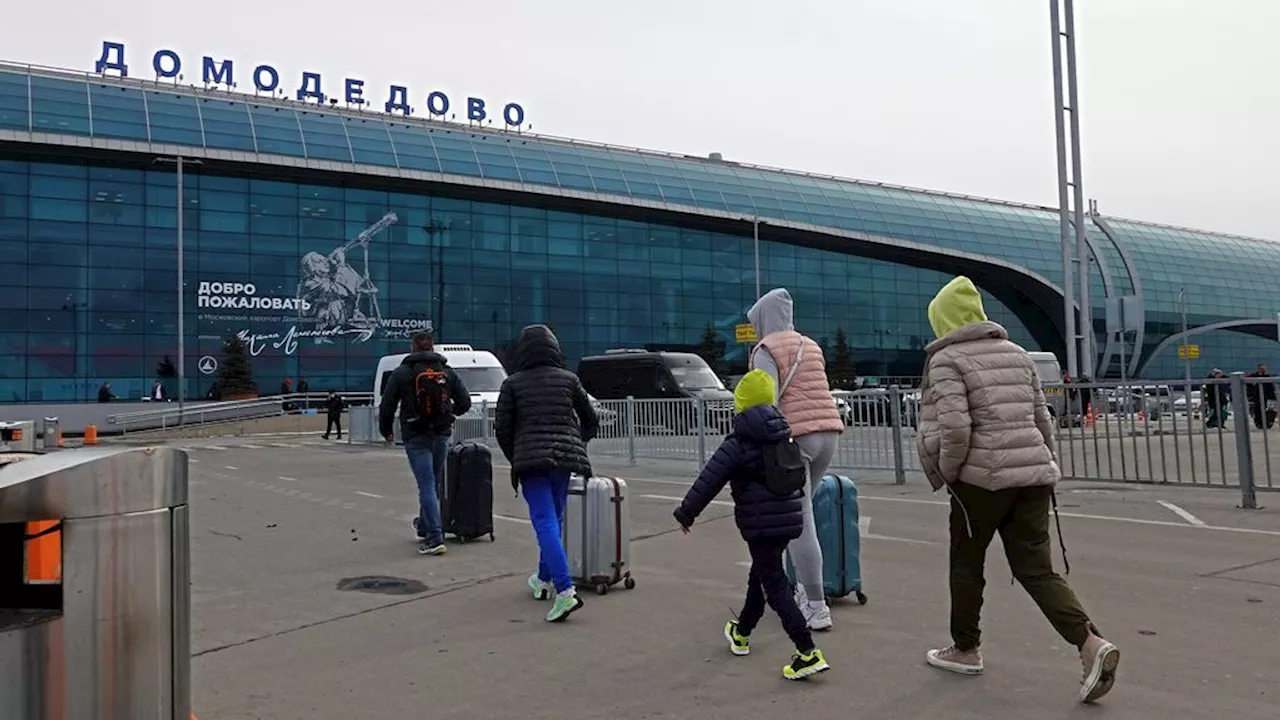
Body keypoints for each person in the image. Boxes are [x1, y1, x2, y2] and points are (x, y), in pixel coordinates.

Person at [916, 276, 1119, 704]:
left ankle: (966, 649)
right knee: (1037, 569)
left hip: (979, 482)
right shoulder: (1018, 354)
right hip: (1033, 477)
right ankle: (1089, 643)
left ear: (944, 321)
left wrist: (950, 474)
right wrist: (1045, 462)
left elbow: (955, 428)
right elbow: (1041, 418)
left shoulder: (947, 360)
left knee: (967, 564)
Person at [673, 369, 831, 681]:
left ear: (740, 405)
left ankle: (807, 651)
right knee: (760, 575)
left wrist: (686, 513)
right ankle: (742, 632)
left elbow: (710, 479)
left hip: (760, 525)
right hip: (787, 521)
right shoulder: (784, 435)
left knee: (774, 585)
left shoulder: (738, 443)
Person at [746, 288, 844, 631]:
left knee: (798, 520)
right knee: (799, 515)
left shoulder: (766, 349)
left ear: (763, 320)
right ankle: (798, 590)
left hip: (795, 438)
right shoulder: (810, 345)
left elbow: (767, 401)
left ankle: (815, 605)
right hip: (829, 433)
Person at [494, 325, 598, 623]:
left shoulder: (512, 384)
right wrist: (576, 442)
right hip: (564, 460)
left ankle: (566, 592)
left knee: (544, 522)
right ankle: (543, 579)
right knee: (555, 518)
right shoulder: (569, 380)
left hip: (531, 463)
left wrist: (517, 456)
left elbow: (503, 429)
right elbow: (590, 420)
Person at [379, 332, 471, 555]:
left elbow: (388, 404)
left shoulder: (403, 373)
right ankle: (423, 525)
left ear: (412, 348)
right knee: (433, 483)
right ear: (432, 347)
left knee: (426, 485)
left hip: (415, 435)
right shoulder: (447, 372)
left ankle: (434, 537)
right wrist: (449, 414)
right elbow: (465, 402)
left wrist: (387, 431)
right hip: (441, 434)